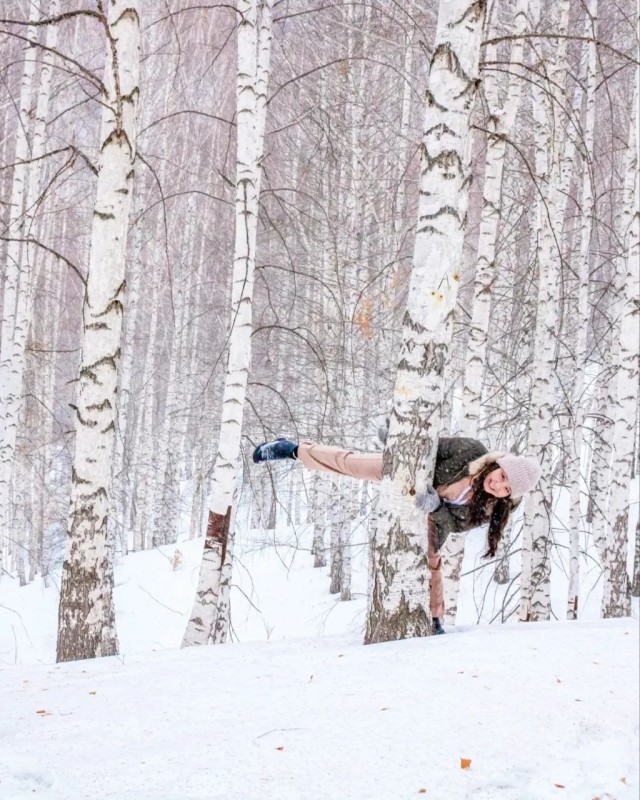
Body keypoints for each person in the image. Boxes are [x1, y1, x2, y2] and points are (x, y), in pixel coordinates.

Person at [252, 435, 542, 634]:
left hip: (432, 514)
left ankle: (435, 619)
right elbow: (431, 445)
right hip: (411, 473)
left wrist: (436, 506)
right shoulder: (471, 450)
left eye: (506, 489)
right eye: (502, 476)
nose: (498, 486)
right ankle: (294, 449)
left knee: (431, 560)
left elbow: (455, 525)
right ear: (498, 465)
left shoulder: (493, 509)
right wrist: (398, 441)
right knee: (354, 464)